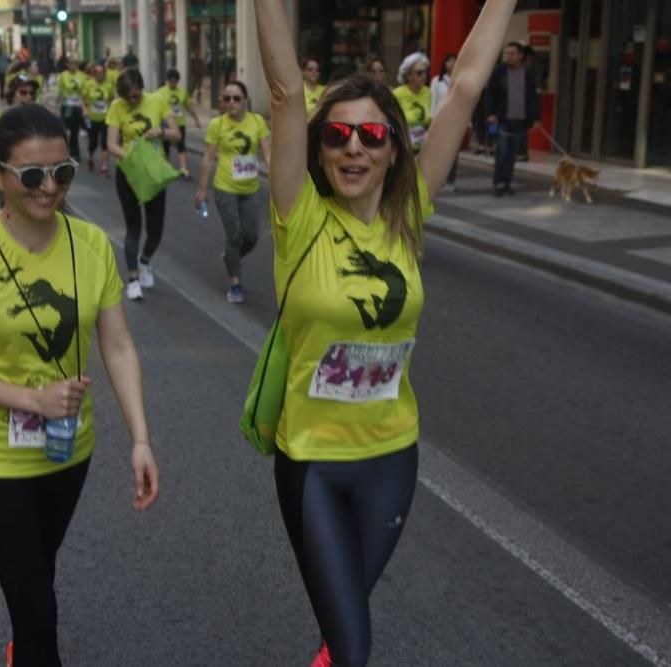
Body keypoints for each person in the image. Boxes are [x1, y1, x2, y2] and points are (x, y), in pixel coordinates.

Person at [254, 0, 516, 664]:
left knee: (343, 633)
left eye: (372, 137)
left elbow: (465, 88)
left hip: (392, 458)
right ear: (319, 145)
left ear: (393, 146)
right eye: (338, 135)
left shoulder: (408, 212)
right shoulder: (300, 216)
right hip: (312, 461)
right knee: (354, 644)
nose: (354, 149)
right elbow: (286, 91)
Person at [0, 103, 159, 667]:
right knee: (36, 603)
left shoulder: (91, 243)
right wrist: (32, 399)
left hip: (68, 448)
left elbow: (118, 345)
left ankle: (24, 642)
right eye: (31, 175)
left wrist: (140, 438)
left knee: (38, 573)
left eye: (62, 172)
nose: (49, 188)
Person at [106, 68, 180, 302]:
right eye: (127, 97)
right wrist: (131, 159)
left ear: (141, 87)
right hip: (129, 174)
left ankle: (145, 260)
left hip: (154, 174)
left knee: (155, 231)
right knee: (133, 228)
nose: (131, 100)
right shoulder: (117, 106)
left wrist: (161, 131)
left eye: (135, 95)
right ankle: (133, 279)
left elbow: (177, 135)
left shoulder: (158, 100)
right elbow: (111, 144)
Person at [193, 80, 270, 304]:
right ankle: (235, 283)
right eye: (227, 99)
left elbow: (268, 154)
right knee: (234, 234)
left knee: (252, 237)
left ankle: (230, 257)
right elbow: (207, 158)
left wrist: (277, 181)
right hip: (225, 187)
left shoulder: (257, 122)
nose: (231, 103)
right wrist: (201, 190)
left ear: (245, 100)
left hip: (251, 188)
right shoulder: (217, 124)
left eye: (236, 98)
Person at [484, 41, 540, 197]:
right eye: (506, 53)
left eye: (512, 53)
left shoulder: (528, 73)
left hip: (520, 120)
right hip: (502, 119)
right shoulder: (499, 71)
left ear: (521, 56)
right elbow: (490, 94)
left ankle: (507, 182)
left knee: (512, 154)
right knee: (502, 152)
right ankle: (498, 183)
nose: (508, 56)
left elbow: (533, 97)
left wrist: (536, 117)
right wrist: (491, 113)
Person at [0, 73, 40, 206]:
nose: (28, 97)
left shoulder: (38, 120)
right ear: (12, 94)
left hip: (35, 186)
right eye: (23, 92)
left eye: (31, 94)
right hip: (6, 187)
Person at [158, 68, 201, 180]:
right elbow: (156, 108)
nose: (173, 83)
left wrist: (196, 119)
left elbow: (188, 106)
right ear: (167, 80)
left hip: (179, 123)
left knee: (181, 146)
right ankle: (164, 169)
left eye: (175, 81)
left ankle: (184, 169)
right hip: (166, 124)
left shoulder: (182, 92)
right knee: (165, 147)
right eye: (171, 81)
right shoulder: (161, 92)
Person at [430, 53, 460, 191]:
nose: (452, 64)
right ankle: (439, 178)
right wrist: (431, 119)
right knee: (438, 152)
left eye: (455, 61)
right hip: (439, 120)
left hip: (455, 120)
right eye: (449, 61)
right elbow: (433, 101)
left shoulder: (460, 80)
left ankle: (451, 180)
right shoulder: (437, 81)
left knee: (453, 152)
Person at [393, 52, 431, 155]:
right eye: (419, 73)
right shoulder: (398, 94)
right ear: (409, 76)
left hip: (424, 148)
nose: (424, 76)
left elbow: (430, 120)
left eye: (425, 72)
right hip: (403, 149)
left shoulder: (428, 92)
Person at [81, 63, 114, 174]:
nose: (99, 74)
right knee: (93, 142)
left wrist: (111, 110)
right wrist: (84, 110)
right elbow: (82, 98)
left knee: (105, 142)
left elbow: (111, 100)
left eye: (101, 72)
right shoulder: (89, 84)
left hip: (105, 118)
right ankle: (90, 156)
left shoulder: (109, 85)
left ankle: (104, 166)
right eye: (96, 72)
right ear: (93, 74)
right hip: (92, 117)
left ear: (105, 73)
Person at [55, 56, 86, 161]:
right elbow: (60, 90)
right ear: (67, 64)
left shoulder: (81, 75)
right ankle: (65, 151)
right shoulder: (63, 75)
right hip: (66, 106)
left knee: (75, 131)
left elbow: (84, 92)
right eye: (71, 63)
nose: (73, 65)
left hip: (77, 106)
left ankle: (75, 153)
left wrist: (85, 107)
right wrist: (56, 105)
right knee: (65, 131)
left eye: (75, 63)